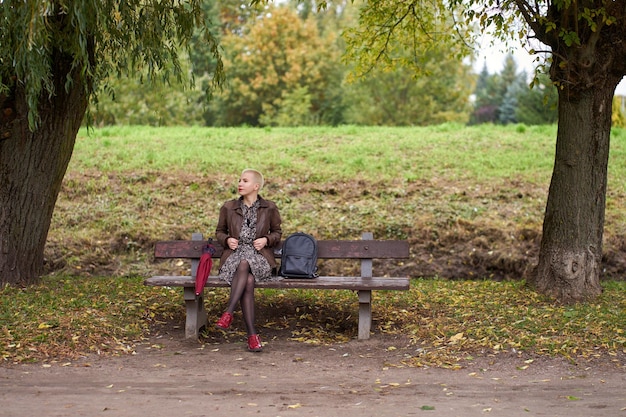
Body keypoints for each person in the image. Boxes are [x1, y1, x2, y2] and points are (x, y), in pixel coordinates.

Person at [214, 168, 282, 352]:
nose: (240, 184)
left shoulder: (270, 207)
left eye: (244, 181)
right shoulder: (229, 207)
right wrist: (227, 240)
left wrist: (267, 239)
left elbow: (277, 233)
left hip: (259, 257)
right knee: (248, 279)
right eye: (239, 180)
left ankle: (229, 311)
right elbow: (219, 232)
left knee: (246, 264)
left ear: (256, 186)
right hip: (234, 256)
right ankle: (252, 335)